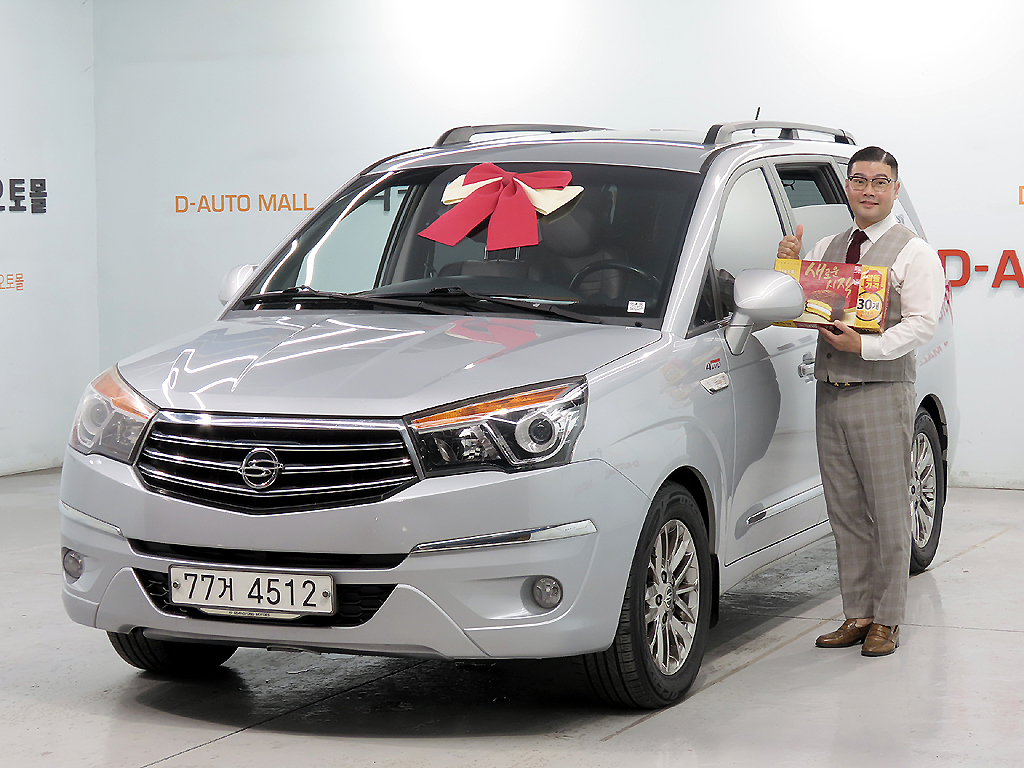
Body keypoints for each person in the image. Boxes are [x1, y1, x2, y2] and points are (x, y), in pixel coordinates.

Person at [777, 146, 945, 657]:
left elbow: (922, 324)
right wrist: (787, 265)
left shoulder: (914, 252)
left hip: (881, 392)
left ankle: (888, 619)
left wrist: (865, 348)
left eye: (879, 181)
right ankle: (858, 613)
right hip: (830, 392)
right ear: (847, 186)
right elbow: (798, 307)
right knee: (845, 510)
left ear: (895, 189)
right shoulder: (827, 246)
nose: (868, 190)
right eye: (859, 180)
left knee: (888, 511)